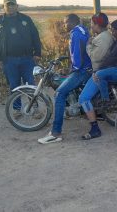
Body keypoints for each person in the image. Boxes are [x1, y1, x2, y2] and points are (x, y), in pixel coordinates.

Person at [78, 19, 117, 140]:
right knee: (102, 74)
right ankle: (103, 99)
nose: (112, 32)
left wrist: (97, 71)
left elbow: (111, 57)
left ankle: (105, 100)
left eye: (113, 30)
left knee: (99, 77)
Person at [38, 14, 92, 144]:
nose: (64, 25)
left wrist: (72, 69)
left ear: (71, 22)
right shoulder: (83, 30)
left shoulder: (75, 34)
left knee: (59, 94)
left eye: (65, 23)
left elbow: (78, 55)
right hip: (88, 68)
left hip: (81, 71)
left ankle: (56, 133)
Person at [0, 0, 42, 108]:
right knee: (14, 85)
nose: (10, 7)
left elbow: (35, 36)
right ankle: (17, 109)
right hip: (9, 60)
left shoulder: (26, 19)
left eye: (13, 4)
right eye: (8, 5)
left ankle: (34, 107)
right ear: (3, 7)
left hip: (27, 58)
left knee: (30, 84)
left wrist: (37, 53)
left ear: (17, 6)